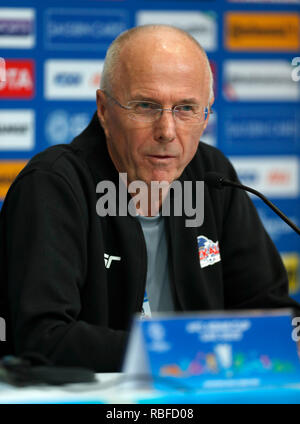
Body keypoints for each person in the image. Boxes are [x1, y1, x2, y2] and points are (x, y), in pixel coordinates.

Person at [0, 25, 299, 372]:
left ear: (206, 116)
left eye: (186, 108)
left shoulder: (212, 176)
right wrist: (181, 353)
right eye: (145, 106)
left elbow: (268, 310)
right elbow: (42, 337)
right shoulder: (53, 185)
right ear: (103, 110)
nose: (167, 131)